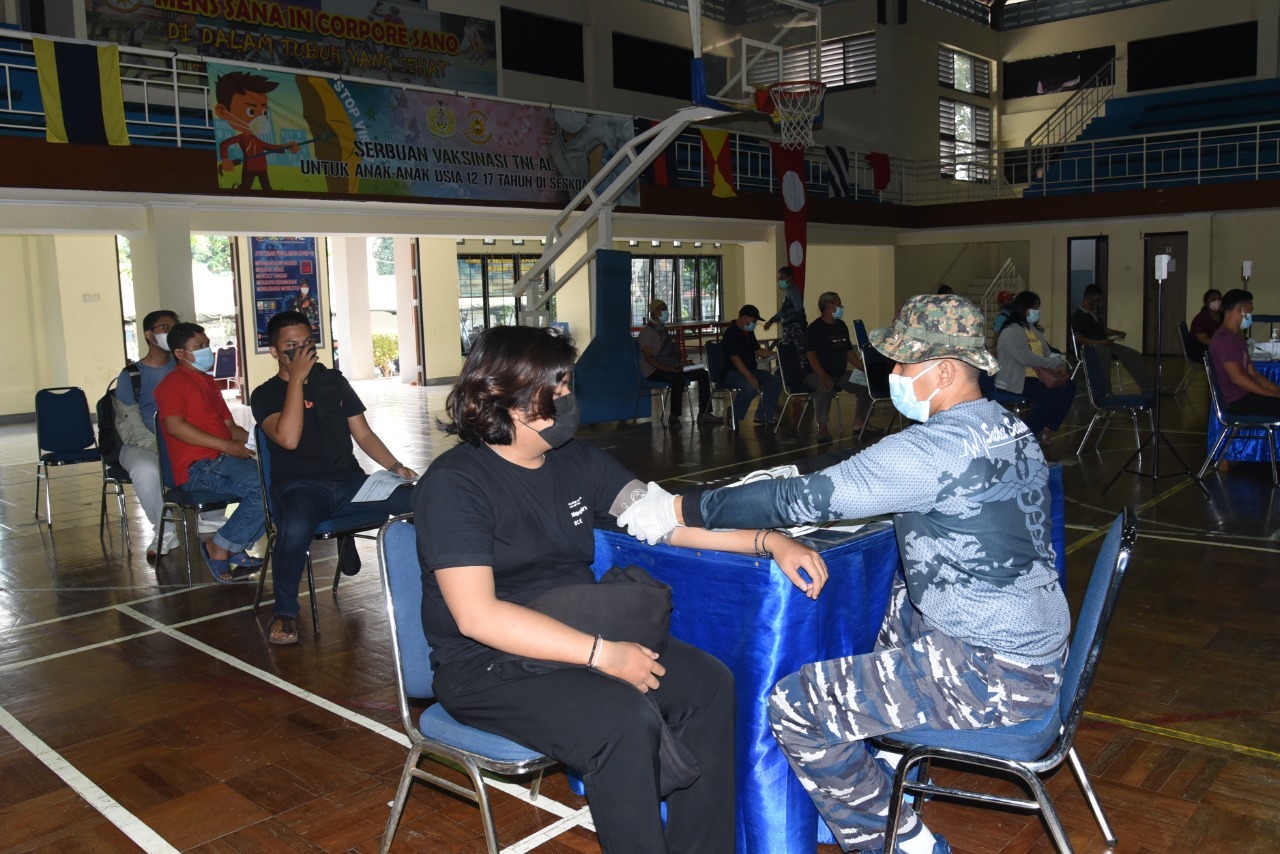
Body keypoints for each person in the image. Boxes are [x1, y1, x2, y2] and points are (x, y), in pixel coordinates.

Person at [617, 295, 1067, 854]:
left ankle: (902, 844)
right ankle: (877, 773)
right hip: (1033, 646)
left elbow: (800, 500)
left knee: (796, 706)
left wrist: (679, 510)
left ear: (946, 371)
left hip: (996, 671)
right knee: (895, 605)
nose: (895, 374)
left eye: (905, 364)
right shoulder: (1006, 425)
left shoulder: (934, 448)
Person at [413, 325, 828, 854]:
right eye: (557, 388)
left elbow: (665, 519)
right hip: (487, 665)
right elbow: (478, 617)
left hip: (576, 631)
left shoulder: (577, 462)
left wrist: (768, 541)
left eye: (567, 386)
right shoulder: (455, 484)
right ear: (512, 401)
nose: (569, 399)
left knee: (709, 686)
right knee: (622, 721)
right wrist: (601, 655)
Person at [250, 311, 417, 645]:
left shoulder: (334, 382)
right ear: (274, 351)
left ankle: (436, 586)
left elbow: (364, 435)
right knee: (295, 527)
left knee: (424, 498)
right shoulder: (265, 394)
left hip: (351, 483)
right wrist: (296, 381)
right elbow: (288, 439)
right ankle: (285, 612)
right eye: (291, 346)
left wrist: (395, 466)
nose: (301, 352)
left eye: (308, 343)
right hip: (300, 487)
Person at [155, 322, 266, 583]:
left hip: (220, 459)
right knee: (264, 487)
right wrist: (225, 446)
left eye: (207, 344)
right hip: (198, 466)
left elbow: (230, 428)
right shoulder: (172, 384)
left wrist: (262, 442)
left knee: (276, 480)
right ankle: (220, 545)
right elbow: (174, 426)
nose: (207, 350)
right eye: (199, 346)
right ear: (180, 353)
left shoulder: (207, 382)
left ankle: (232, 546)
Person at [114, 310, 178, 559]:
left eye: (175, 327)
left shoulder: (184, 368)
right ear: (149, 335)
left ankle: (212, 524)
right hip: (141, 445)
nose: (171, 333)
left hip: (181, 440)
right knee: (145, 470)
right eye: (165, 328)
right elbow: (131, 426)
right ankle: (165, 529)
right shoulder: (131, 376)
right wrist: (160, 448)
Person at [996, 291, 1077, 447]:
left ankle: (1047, 428)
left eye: (1037, 307)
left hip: (1039, 377)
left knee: (1069, 388)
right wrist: (1051, 363)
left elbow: (1047, 352)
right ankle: (1026, 438)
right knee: (1048, 397)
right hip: (1018, 379)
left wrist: (1057, 362)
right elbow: (1026, 358)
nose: (1036, 311)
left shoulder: (1034, 330)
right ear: (1023, 308)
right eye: (1033, 307)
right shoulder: (1011, 331)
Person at [636, 298, 722, 426]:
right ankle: (673, 416)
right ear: (655, 312)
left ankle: (705, 413)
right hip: (654, 370)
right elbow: (649, 358)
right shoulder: (646, 333)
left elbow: (671, 353)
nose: (666, 312)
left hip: (671, 367)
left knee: (702, 373)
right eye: (663, 310)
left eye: (666, 309)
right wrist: (667, 369)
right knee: (678, 378)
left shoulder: (663, 331)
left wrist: (683, 364)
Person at [803, 292, 872, 441]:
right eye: (839, 303)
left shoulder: (841, 325)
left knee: (868, 384)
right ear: (830, 307)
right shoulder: (814, 328)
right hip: (817, 373)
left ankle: (859, 421)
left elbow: (849, 352)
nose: (842, 307)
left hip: (840, 374)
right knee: (824, 387)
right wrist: (822, 375)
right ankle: (822, 427)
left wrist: (865, 369)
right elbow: (811, 355)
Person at [214, 71, 300, 191]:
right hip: (249, 168)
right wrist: (225, 159)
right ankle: (236, 188)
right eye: (251, 112)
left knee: (267, 190)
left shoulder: (255, 139)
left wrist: (287, 146)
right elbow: (224, 145)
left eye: (264, 113)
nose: (260, 118)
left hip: (262, 168)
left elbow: (269, 147)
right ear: (222, 111)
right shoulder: (242, 138)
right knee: (245, 188)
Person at [1209, 289, 1280, 417]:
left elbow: (1253, 374)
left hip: (1247, 395)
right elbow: (1238, 378)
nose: (1250, 316)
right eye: (1249, 312)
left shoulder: (1237, 337)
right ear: (1239, 309)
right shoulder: (1224, 339)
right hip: (1238, 401)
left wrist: (1276, 390)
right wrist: (1271, 394)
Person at [1069, 283, 1151, 392]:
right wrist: (1100, 342)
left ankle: (1148, 387)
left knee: (1133, 354)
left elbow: (1103, 330)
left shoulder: (1094, 314)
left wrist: (1117, 332)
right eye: (1096, 300)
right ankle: (1105, 390)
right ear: (1089, 298)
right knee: (1105, 353)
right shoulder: (1077, 316)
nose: (1098, 303)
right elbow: (1078, 338)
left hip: (1104, 344)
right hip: (1090, 347)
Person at [722, 304, 782, 426]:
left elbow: (757, 350)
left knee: (775, 382)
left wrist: (777, 355)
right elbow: (734, 358)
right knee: (750, 388)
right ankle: (734, 414)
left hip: (751, 370)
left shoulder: (748, 332)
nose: (754, 324)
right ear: (744, 317)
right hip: (733, 372)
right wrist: (749, 376)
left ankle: (763, 416)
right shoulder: (731, 333)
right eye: (753, 321)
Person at [764, 266, 808, 382]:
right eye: (779, 278)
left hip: (794, 329)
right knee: (786, 352)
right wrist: (772, 320)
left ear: (789, 278)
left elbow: (799, 309)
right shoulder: (789, 293)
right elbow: (783, 312)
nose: (780, 280)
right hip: (789, 329)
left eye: (782, 277)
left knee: (798, 354)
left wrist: (803, 326)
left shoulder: (793, 291)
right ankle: (782, 377)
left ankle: (803, 379)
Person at [1188, 288, 1224, 362]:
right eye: (1213, 299)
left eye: (1219, 299)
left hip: (1216, 347)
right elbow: (1202, 339)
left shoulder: (1223, 316)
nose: (1216, 301)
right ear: (1206, 302)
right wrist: (1221, 344)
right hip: (1201, 350)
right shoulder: (1201, 318)